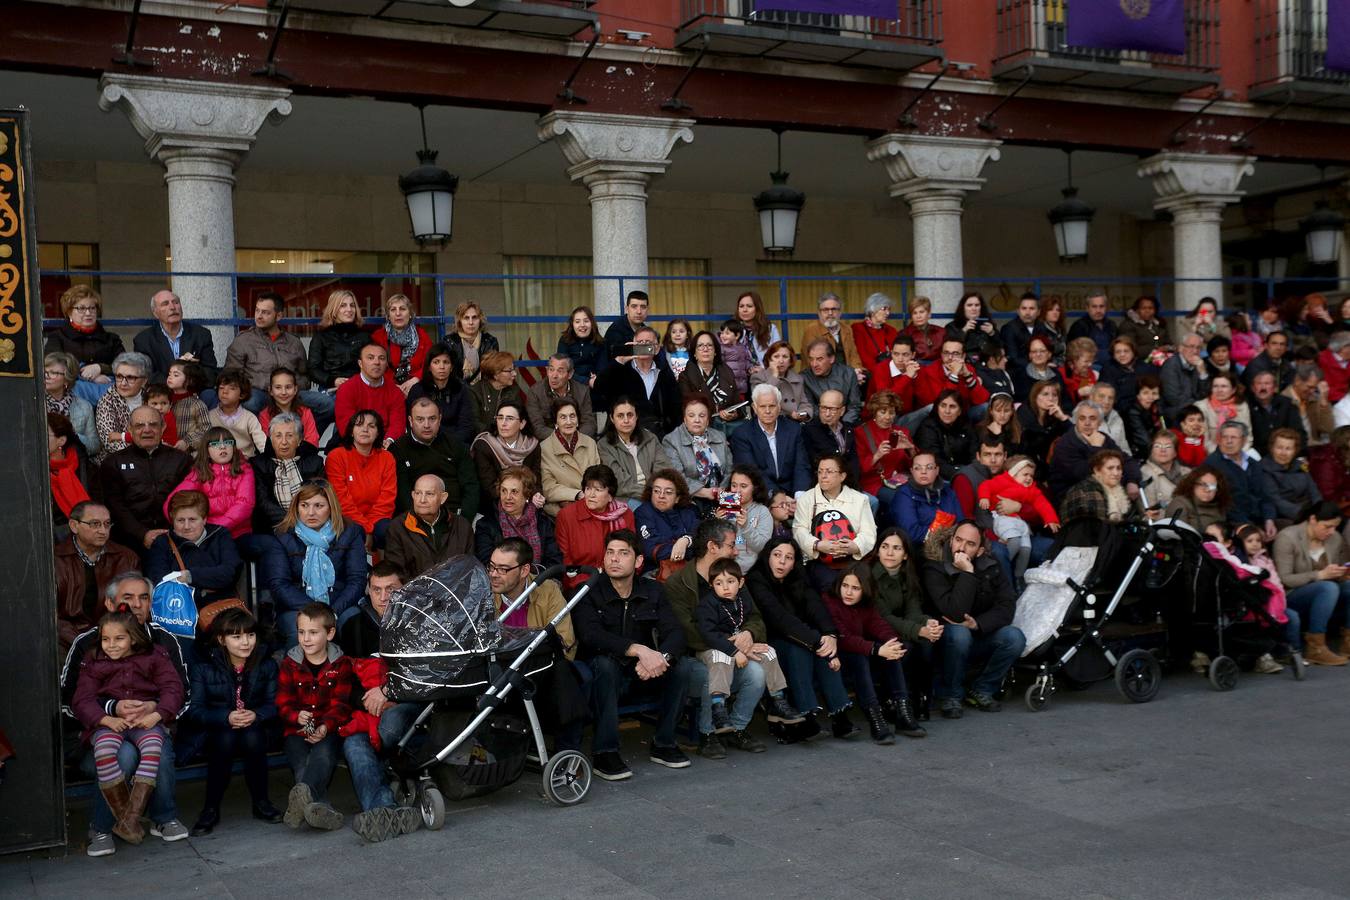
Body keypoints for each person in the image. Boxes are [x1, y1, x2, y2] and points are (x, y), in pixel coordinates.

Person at [60, 573, 191, 856]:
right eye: (127, 598)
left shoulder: (161, 643)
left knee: (160, 751)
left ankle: (163, 817)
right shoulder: (91, 645)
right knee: (124, 756)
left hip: (150, 724)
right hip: (104, 729)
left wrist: (154, 709)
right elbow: (72, 699)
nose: (136, 605)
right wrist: (110, 710)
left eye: (144, 598)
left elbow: (180, 691)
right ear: (110, 603)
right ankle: (105, 827)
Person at [572, 530, 690, 780]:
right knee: (605, 666)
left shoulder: (653, 590)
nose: (614, 559)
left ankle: (664, 743)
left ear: (638, 561)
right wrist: (639, 650)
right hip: (601, 674)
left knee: (682, 667)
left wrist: (661, 658)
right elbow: (590, 635)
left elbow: (676, 632)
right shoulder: (587, 590)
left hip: (642, 673)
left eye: (623, 553)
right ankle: (605, 751)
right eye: (610, 553)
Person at [662, 518, 769, 758]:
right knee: (717, 666)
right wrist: (731, 645)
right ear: (712, 547)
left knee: (757, 673)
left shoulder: (732, 576)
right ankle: (707, 733)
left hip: (734, 653)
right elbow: (686, 631)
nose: (735, 551)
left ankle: (735, 728)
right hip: (692, 659)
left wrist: (748, 634)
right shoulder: (678, 583)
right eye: (731, 545)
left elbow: (754, 616)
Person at [748, 536, 857, 740]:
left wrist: (829, 634)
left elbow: (816, 606)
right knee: (802, 649)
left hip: (799, 635)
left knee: (821, 646)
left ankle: (840, 716)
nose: (782, 562)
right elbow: (779, 619)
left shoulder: (798, 578)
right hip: (768, 642)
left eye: (789, 557)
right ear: (767, 556)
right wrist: (817, 642)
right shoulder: (756, 580)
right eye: (777, 555)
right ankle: (807, 716)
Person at [185, 608, 282, 836]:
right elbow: (195, 711)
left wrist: (256, 715)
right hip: (215, 730)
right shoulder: (204, 668)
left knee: (252, 735)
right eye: (236, 637)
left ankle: (261, 802)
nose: (245, 642)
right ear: (221, 639)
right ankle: (210, 808)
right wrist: (226, 716)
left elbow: (275, 703)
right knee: (226, 737)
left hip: (257, 727)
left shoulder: (266, 665)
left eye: (250, 635)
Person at [919, 520, 1026, 718]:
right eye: (958, 540)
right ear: (951, 541)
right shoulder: (934, 566)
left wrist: (978, 624)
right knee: (959, 633)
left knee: (1014, 637)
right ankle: (951, 695)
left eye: (970, 543)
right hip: (945, 640)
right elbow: (954, 613)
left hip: (978, 633)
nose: (962, 547)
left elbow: (1007, 605)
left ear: (979, 550)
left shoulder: (991, 564)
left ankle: (983, 689)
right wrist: (967, 573)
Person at [696, 557, 804, 734]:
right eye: (718, 583)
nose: (725, 587)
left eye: (730, 581)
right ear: (711, 585)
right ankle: (718, 709)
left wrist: (746, 644)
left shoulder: (743, 601)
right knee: (720, 657)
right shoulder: (707, 605)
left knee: (769, 651)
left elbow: (754, 621)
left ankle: (778, 700)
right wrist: (734, 650)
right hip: (713, 648)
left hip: (740, 647)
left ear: (741, 582)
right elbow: (708, 634)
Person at [824, 561, 925, 744]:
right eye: (845, 586)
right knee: (861, 657)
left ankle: (903, 710)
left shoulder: (866, 605)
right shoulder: (830, 602)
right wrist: (878, 649)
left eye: (855, 588)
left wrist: (892, 644)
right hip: (836, 658)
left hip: (860, 651)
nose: (848, 592)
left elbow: (879, 626)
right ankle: (875, 719)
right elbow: (844, 638)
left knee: (890, 652)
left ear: (865, 589)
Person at [261, 480, 368, 646]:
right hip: (297, 607)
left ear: (331, 507)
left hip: (339, 604)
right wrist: (316, 613)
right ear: (296, 507)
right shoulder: (282, 535)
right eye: (304, 505)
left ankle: (354, 670)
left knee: (353, 623)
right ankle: (299, 672)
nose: (311, 512)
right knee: (298, 630)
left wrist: (332, 612)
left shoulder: (350, 532)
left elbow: (357, 580)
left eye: (319, 506)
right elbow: (279, 585)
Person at [277, 602, 353, 833]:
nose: (306, 639)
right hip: (296, 730)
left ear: (330, 633)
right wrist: (295, 715)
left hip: (326, 729)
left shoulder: (341, 664)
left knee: (323, 757)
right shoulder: (290, 664)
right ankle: (321, 808)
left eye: (313, 632)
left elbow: (341, 705)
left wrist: (324, 727)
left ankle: (306, 802)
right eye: (301, 632)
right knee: (301, 763)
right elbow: (282, 702)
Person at [225, 291, 331, 429]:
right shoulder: (243, 340)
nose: (259, 316)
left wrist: (288, 388)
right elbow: (232, 375)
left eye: (266, 312)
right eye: (257, 311)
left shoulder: (293, 342)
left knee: (327, 404)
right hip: (260, 393)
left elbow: (305, 375)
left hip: (291, 394)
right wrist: (268, 387)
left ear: (279, 315)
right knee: (250, 403)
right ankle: (263, 446)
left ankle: (302, 439)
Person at [99, 406, 193, 554]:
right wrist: (142, 534)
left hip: (176, 536)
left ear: (163, 427)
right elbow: (115, 506)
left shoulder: (182, 460)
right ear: (130, 429)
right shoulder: (113, 463)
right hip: (128, 540)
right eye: (140, 425)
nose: (147, 430)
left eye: (153, 424)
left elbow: (189, 501)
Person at [870, 529, 942, 715]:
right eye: (885, 547)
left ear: (905, 555)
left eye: (896, 548)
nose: (890, 553)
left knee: (926, 643)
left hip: (900, 629)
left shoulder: (907, 576)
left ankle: (921, 695)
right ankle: (891, 698)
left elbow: (913, 612)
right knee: (906, 646)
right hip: (875, 632)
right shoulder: (869, 577)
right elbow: (883, 617)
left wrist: (928, 624)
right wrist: (918, 630)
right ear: (877, 551)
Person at [1272, 502, 1350, 666]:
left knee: (1345, 586)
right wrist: (1319, 574)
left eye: (1335, 527)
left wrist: (1342, 572)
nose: (1332, 532)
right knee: (1327, 587)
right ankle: (1316, 647)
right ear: (1313, 519)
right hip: (1293, 594)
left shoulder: (1334, 539)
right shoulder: (1287, 537)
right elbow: (1285, 578)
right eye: (1327, 527)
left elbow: (1341, 567)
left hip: (1328, 591)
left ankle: (1348, 642)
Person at [56, 501, 139, 649]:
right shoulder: (55, 560)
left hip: (115, 639)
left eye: (107, 524)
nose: (103, 530)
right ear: (74, 526)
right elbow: (51, 617)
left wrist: (110, 638)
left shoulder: (126, 558)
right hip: (66, 642)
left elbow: (135, 607)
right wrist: (82, 643)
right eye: (95, 524)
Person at [793, 451, 877, 593]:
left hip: (852, 561)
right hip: (820, 561)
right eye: (820, 472)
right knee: (830, 586)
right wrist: (818, 545)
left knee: (860, 586)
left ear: (842, 476)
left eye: (829, 472)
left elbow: (869, 532)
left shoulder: (859, 499)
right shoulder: (806, 499)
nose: (823, 476)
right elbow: (798, 530)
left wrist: (854, 546)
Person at [145, 490, 242, 606]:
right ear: (172, 520)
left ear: (204, 519)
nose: (186, 526)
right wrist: (202, 592)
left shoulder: (220, 535)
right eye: (180, 520)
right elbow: (160, 584)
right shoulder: (162, 543)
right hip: (180, 612)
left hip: (221, 611)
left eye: (192, 520)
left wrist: (189, 576)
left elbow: (229, 573)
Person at [248, 413, 325, 556]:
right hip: (273, 528)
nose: (284, 442)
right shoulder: (257, 464)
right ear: (270, 439)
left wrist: (305, 521)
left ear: (300, 440)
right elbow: (264, 503)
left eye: (289, 436)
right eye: (278, 436)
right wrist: (294, 524)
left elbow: (320, 497)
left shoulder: (315, 463)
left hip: (311, 524)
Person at [390, 397, 479, 521]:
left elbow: (470, 486)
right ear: (410, 421)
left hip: (455, 515)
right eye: (420, 419)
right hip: (415, 518)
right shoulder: (398, 449)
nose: (426, 425)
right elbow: (402, 495)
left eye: (432, 419)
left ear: (440, 419)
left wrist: (463, 520)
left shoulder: (455, 445)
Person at [979, 456, 1060, 587]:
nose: (1029, 478)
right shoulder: (1003, 481)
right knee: (1015, 542)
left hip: (1020, 523)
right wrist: (984, 497)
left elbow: (1042, 504)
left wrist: (1051, 519)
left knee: (1026, 549)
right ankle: (1004, 569)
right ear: (1013, 473)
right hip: (1003, 519)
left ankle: (1019, 577)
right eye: (1025, 474)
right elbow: (986, 485)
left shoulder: (1032, 490)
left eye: (1031, 475)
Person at [489, 538, 576, 659]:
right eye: (492, 566)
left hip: (541, 669)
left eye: (503, 569)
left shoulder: (548, 591)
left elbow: (565, 641)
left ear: (524, 570)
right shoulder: (484, 593)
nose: (493, 574)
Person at [555, 464, 635, 592]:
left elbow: (631, 552)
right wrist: (584, 582)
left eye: (598, 490)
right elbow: (565, 560)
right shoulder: (567, 515)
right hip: (580, 583)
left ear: (610, 495)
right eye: (588, 488)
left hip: (619, 580)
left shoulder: (624, 514)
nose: (591, 495)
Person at [593, 324, 683, 436]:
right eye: (640, 343)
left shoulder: (664, 373)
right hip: (625, 435)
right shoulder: (621, 370)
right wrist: (619, 361)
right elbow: (598, 387)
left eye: (648, 343)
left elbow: (675, 409)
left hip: (658, 436)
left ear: (656, 349)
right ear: (633, 345)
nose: (643, 346)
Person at [325, 409, 397, 549]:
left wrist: (369, 527)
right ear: (351, 431)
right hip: (347, 517)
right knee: (354, 533)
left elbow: (387, 499)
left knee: (390, 532)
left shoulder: (387, 458)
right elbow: (341, 501)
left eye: (371, 426)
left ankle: (387, 570)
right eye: (359, 425)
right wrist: (367, 528)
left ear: (378, 433)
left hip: (378, 518)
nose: (365, 429)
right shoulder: (336, 457)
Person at [167, 427, 256, 538]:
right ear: (207, 452)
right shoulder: (199, 472)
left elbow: (244, 504)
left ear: (233, 448)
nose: (223, 447)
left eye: (228, 442)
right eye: (215, 444)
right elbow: (174, 499)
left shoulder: (244, 469)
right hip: (207, 534)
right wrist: (175, 520)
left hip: (240, 533)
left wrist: (216, 529)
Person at [44, 284, 124, 405]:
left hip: (109, 394)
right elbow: (54, 367)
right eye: (81, 308)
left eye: (92, 308)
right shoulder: (58, 337)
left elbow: (125, 365)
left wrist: (100, 368)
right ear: (69, 312)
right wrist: (87, 376)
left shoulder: (111, 338)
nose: (88, 313)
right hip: (73, 400)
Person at [728, 383, 812, 498]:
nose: (767, 411)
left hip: (793, 492)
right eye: (762, 406)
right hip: (762, 494)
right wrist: (777, 497)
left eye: (772, 406)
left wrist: (800, 496)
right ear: (754, 408)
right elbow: (752, 473)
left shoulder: (793, 429)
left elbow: (801, 465)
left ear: (779, 407)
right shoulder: (742, 434)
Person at [1047, 401, 1141, 503]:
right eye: (1082, 418)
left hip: (1102, 491)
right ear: (1075, 421)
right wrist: (1096, 448)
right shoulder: (1065, 444)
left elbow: (1126, 460)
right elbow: (1083, 475)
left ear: (1100, 422)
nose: (1087, 423)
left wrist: (1132, 481)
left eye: (1092, 418)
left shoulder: (1103, 438)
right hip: (1072, 496)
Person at [384, 474, 473, 578]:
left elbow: (469, 570)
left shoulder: (462, 526)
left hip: (454, 593)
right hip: (414, 593)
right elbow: (396, 574)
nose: (422, 500)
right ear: (413, 495)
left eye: (429, 494)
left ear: (443, 498)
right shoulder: (398, 527)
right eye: (418, 493)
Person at [472, 465, 560, 569]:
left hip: (538, 581)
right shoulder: (486, 525)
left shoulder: (543, 523)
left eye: (514, 491)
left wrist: (533, 579)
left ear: (527, 494)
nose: (508, 497)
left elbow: (554, 561)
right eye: (504, 491)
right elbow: (486, 563)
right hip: (501, 581)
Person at [132, 290, 219, 385]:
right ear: (155, 313)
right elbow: (147, 374)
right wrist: (173, 382)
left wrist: (187, 380)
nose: (173, 307)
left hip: (194, 389)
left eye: (176, 302)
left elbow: (210, 371)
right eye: (165, 304)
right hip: (162, 392)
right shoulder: (143, 340)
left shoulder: (201, 334)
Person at [1206, 420, 1276, 537]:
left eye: (1234, 437)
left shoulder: (1254, 464)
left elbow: (1265, 495)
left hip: (1259, 519)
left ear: (1243, 440)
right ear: (1219, 440)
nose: (1229, 441)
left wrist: (1269, 519)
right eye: (1225, 437)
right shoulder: (1212, 465)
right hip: (1232, 522)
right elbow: (1224, 504)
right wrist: (1250, 527)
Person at [470, 400, 541, 514]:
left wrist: (537, 495)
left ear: (522, 423)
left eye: (509, 418)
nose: (503, 423)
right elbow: (489, 487)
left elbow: (536, 479)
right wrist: (519, 499)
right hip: (494, 506)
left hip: (527, 502)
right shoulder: (484, 445)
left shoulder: (532, 445)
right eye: (500, 418)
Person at [661, 394, 731, 508]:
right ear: (684, 419)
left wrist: (721, 490)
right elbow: (677, 477)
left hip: (722, 495)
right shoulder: (671, 441)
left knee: (733, 522)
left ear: (708, 420)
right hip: (690, 499)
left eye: (702, 415)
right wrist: (705, 492)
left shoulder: (720, 436)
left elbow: (730, 469)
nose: (697, 420)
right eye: (691, 415)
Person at [540, 397, 603, 517]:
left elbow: (599, 477)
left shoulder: (590, 443)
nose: (569, 422)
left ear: (578, 420)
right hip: (562, 507)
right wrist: (577, 494)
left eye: (572, 416)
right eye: (563, 417)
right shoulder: (545, 448)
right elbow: (548, 488)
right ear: (556, 422)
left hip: (593, 503)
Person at [334, 343, 406, 446]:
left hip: (386, 445)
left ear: (386, 364)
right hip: (354, 443)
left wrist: (389, 441)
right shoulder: (347, 389)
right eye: (370, 358)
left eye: (381, 358)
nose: (377, 362)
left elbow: (398, 424)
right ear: (360, 363)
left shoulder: (395, 392)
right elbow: (346, 424)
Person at [405, 343, 477, 446]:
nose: (441, 367)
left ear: (451, 367)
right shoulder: (417, 390)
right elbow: (411, 424)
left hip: (454, 445)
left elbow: (466, 425)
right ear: (429, 367)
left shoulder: (461, 389)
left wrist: (448, 445)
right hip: (424, 444)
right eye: (436, 362)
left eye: (446, 362)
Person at [853, 389, 913, 506]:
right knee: (901, 499)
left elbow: (913, 466)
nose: (887, 417)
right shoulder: (861, 432)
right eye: (883, 412)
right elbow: (858, 469)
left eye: (891, 412)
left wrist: (910, 449)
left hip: (900, 481)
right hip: (874, 484)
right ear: (875, 411)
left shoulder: (901, 432)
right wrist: (877, 455)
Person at [891, 449, 961, 548]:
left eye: (929, 467)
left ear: (937, 470)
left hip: (950, 546)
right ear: (912, 471)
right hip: (918, 549)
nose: (923, 472)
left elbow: (960, 523)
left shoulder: (948, 491)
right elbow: (911, 533)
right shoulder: (904, 494)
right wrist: (946, 535)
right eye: (917, 468)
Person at [92, 351, 152, 464]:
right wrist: (146, 450)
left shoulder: (152, 398)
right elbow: (110, 441)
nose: (123, 383)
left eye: (130, 377)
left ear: (144, 381)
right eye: (119, 376)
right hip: (117, 462)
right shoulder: (107, 401)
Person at [802, 388, 865, 492]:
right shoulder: (809, 431)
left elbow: (854, 461)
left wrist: (853, 488)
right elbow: (813, 465)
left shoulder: (847, 429)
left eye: (832, 409)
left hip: (849, 485)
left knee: (871, 502)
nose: (827, 414)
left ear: (842, 411)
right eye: (823, 408)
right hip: (823, 488)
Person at [634, 468, 700, 567]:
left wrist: (685, 541)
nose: (661, 496)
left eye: (668, 492)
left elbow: (700, 535)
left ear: (677, 498)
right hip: (656, 572)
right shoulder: (643, 513)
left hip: (690, 568)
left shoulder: (687, 511)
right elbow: (651, 549)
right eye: (656, 491)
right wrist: (682, 548)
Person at [307, 289, 370, 393]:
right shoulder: (321, 337)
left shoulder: (364, 336)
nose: (349, 309)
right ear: (334, 310)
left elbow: (372, 365)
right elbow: (313, 369)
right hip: (331, 389)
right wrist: (333, 380)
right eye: (343, 305)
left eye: (352, 305)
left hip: (360, 388)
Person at [678, 330, 743, 424]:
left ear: (715, 351)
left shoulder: (726, 371)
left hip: (728, 426)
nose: (705, 349)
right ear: (694, 354)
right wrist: (716, 412)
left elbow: (737, 402)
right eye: (700, 346)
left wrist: (734, 414)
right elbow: (688, 409)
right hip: (701, 426)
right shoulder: (685, 376)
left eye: (709, 345)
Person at [526, 355, 596, 441]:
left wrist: (575, 440)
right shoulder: (535, 392)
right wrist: (562, 439)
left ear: (570, 374)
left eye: (560, 371)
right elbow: (537, 427)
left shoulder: (582, 391)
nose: (554, 376)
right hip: (549, 443)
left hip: (578, 442)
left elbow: (589, 423)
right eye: (551, 370)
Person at [371, 293, 431, 394]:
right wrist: (391, 386)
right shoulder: (378, 337)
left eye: (402, 309)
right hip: (385, 388)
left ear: (410, 313)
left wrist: (416, 380)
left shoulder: (422, 335)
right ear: (388, 316)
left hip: (418, 386)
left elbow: (431, 361)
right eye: (393, 310)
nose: (398, 313)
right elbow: (373, 366)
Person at [1260, 429, 1322, 527]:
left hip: (1310, 512)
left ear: (1295, 451)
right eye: (1279, 447)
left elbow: (1313, 490)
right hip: (1286, 516)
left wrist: (1320, 510)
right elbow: (1276, 500)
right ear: (1272, 448)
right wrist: (1305, 515)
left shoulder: (1300, 465)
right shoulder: (1264, 469)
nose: (1283, 453)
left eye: (1288, 448)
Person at [799, 291, 864, 381]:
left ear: (840, 312)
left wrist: (857, 371)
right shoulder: (811, 330)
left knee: (865, 379)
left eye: (834, 309)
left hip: (846, 375)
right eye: (825, 310)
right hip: (821, 378)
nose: (830, 313)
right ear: (819, 313)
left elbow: (853, 356)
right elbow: (813, 362)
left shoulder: (846, 329)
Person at [913, 389, 975, 482]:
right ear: (937, 407)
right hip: (939, 476)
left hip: (965, 472)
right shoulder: (928, 427)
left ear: (960, 411)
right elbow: (935, 461)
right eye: (943, 406)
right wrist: (960, 475)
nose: (947, 411)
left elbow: (974, 453)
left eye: (952, 407)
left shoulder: (966, 425)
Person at [914, 338, 991, 411]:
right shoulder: (931, 371)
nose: (950, 357)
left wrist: (968, 375)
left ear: (963, 356)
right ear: (941, 354)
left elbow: (982, 399)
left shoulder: (968, 368)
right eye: (946, 353)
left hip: (962, 414)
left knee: (985, 407)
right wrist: (954, 375)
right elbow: (942, 404)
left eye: (955, 353)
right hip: (937, 415)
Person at [46, 352, 100, 454]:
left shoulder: (84, 407)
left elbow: (95, 446)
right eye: (44, 372)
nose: (46, 376)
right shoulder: (34, 403)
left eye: (53, 373)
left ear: (67, 379)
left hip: (73, 464)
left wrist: (72, 435)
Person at [801, 338, 863, 426]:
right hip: (820, 424)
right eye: (811, 359)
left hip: (846, 423)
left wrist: (842, 425)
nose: (814, 364)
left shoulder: (848, 373)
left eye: (819, 359)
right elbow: (811, 408)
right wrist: (827, 424)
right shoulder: (805, 378)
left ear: (832, 359)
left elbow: (854, 406)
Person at [723, 464, 772, 574]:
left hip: (752, 572)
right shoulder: (727, 505)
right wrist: (717, 523)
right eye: (734, 485)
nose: (737, 491)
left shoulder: (762, 511)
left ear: (755, 487)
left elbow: (762, 546)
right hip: (724, 569)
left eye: (743, 486)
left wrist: (746, 526)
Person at [49, 412, 91, 538]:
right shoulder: (32, 468)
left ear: (61, 441)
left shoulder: (83, 464)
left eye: (44, 434)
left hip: (86, 532)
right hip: (53, 537)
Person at [1017, 380, 1070, 481]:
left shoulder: (1055, 417)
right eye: (1045, 394)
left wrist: (1063, 418)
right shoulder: (1024, 414)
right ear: (1035, 396)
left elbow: (1076, 438)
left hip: (1048, 469)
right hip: (1025, 469)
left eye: (1054, 395)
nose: (1050, 398)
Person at [207, 369, 267, 457]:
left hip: (245, 461)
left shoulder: (249, 418)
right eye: (221, 388)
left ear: (242, 394)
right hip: (217, 461)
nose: (225, 392)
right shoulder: (210, 416)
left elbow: (261, 442)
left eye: (232, 388)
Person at [258, 366, 321, 448]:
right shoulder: (265, 415)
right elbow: (266, 444)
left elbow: (312, 442)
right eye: (278, 387)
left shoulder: (305, 412)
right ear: (270, 391)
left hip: (302, 456)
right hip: (275, 457)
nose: (283, 392)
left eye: (288, 387)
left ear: (295, 389)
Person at [469, 351, 528, 434]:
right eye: (509, 370)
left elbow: (519, 418)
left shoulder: (514, 390)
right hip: (484, 439)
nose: (514, 374)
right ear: (496, 374)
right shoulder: (475, 391)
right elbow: (474, 424)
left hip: (509, 437)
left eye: (514, 369)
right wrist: (495, 434)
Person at [1163, 465, 1231, 534]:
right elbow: (1177, 536)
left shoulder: (1220, 504)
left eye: (1212, 486)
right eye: (1203, 485)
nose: (1207, 490)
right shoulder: (1180, 504)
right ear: (1192, 485)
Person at [444, 300, 499, 384]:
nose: (471, 322)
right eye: (466, 318)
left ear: (480, 320)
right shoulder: (449, 342)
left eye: (474, 317)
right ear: (459, 321)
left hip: (483, 391)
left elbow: (492, 373)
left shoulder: (490, 341)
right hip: (456, 391)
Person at [1160, 332, 1211, 422]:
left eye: (1198, 348)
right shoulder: (1171, 365)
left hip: (1195, 409)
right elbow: (1173, 399)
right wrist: (1199, 405)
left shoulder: (1200, 364)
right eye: (1191, 346)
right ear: (1181, 348)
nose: (1195, 351)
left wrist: (1203, 373)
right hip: (1175, 412)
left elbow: (1205, 394)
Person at [1099, 335, 1155, 413]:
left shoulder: (1145, 368)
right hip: (1121, 412)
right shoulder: (1108, 369)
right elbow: (1112, 398)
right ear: (1113, 355)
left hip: (1147, 409)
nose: (1122, 355)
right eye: (1118, 352)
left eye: (1126, 351)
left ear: (1133, 352)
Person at [866, 334, 919, 415]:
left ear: (913, 355)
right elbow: (886, 400)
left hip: (907, 416)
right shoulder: (880, 369)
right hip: (880, 416)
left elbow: (925, 399)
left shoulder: (917, 369)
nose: (900, 359)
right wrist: (907, 377)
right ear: (891, 353)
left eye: (905, 355)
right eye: (896, 354)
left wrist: (915, 377)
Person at [1284, 363, 1334, 448]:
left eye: (1315, 388)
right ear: (1297, 381)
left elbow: (1327, 428)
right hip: (1292, 449)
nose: (1312, 391)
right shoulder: (1283, 400)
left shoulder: (1315, 399)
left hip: (1315, 448)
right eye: (1309, 387)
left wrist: (1324, 402)